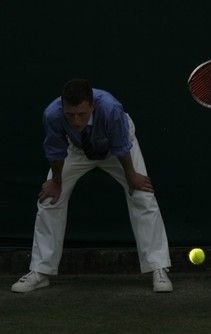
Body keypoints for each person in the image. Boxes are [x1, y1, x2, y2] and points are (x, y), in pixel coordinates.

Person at [12, 79, 173, 293]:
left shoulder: (110, 109)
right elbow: (55, 150)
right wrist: (57, 182)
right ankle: (41, 271)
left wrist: (131, 176)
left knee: (142, 195)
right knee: (50, 199)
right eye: (70, 115)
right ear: (62, 107)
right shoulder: (53, 114)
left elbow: (121, 146)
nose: (76, 121)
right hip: (77, 149)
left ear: (92, 106)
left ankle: (159, 268)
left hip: (117, 149)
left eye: (82, 114)